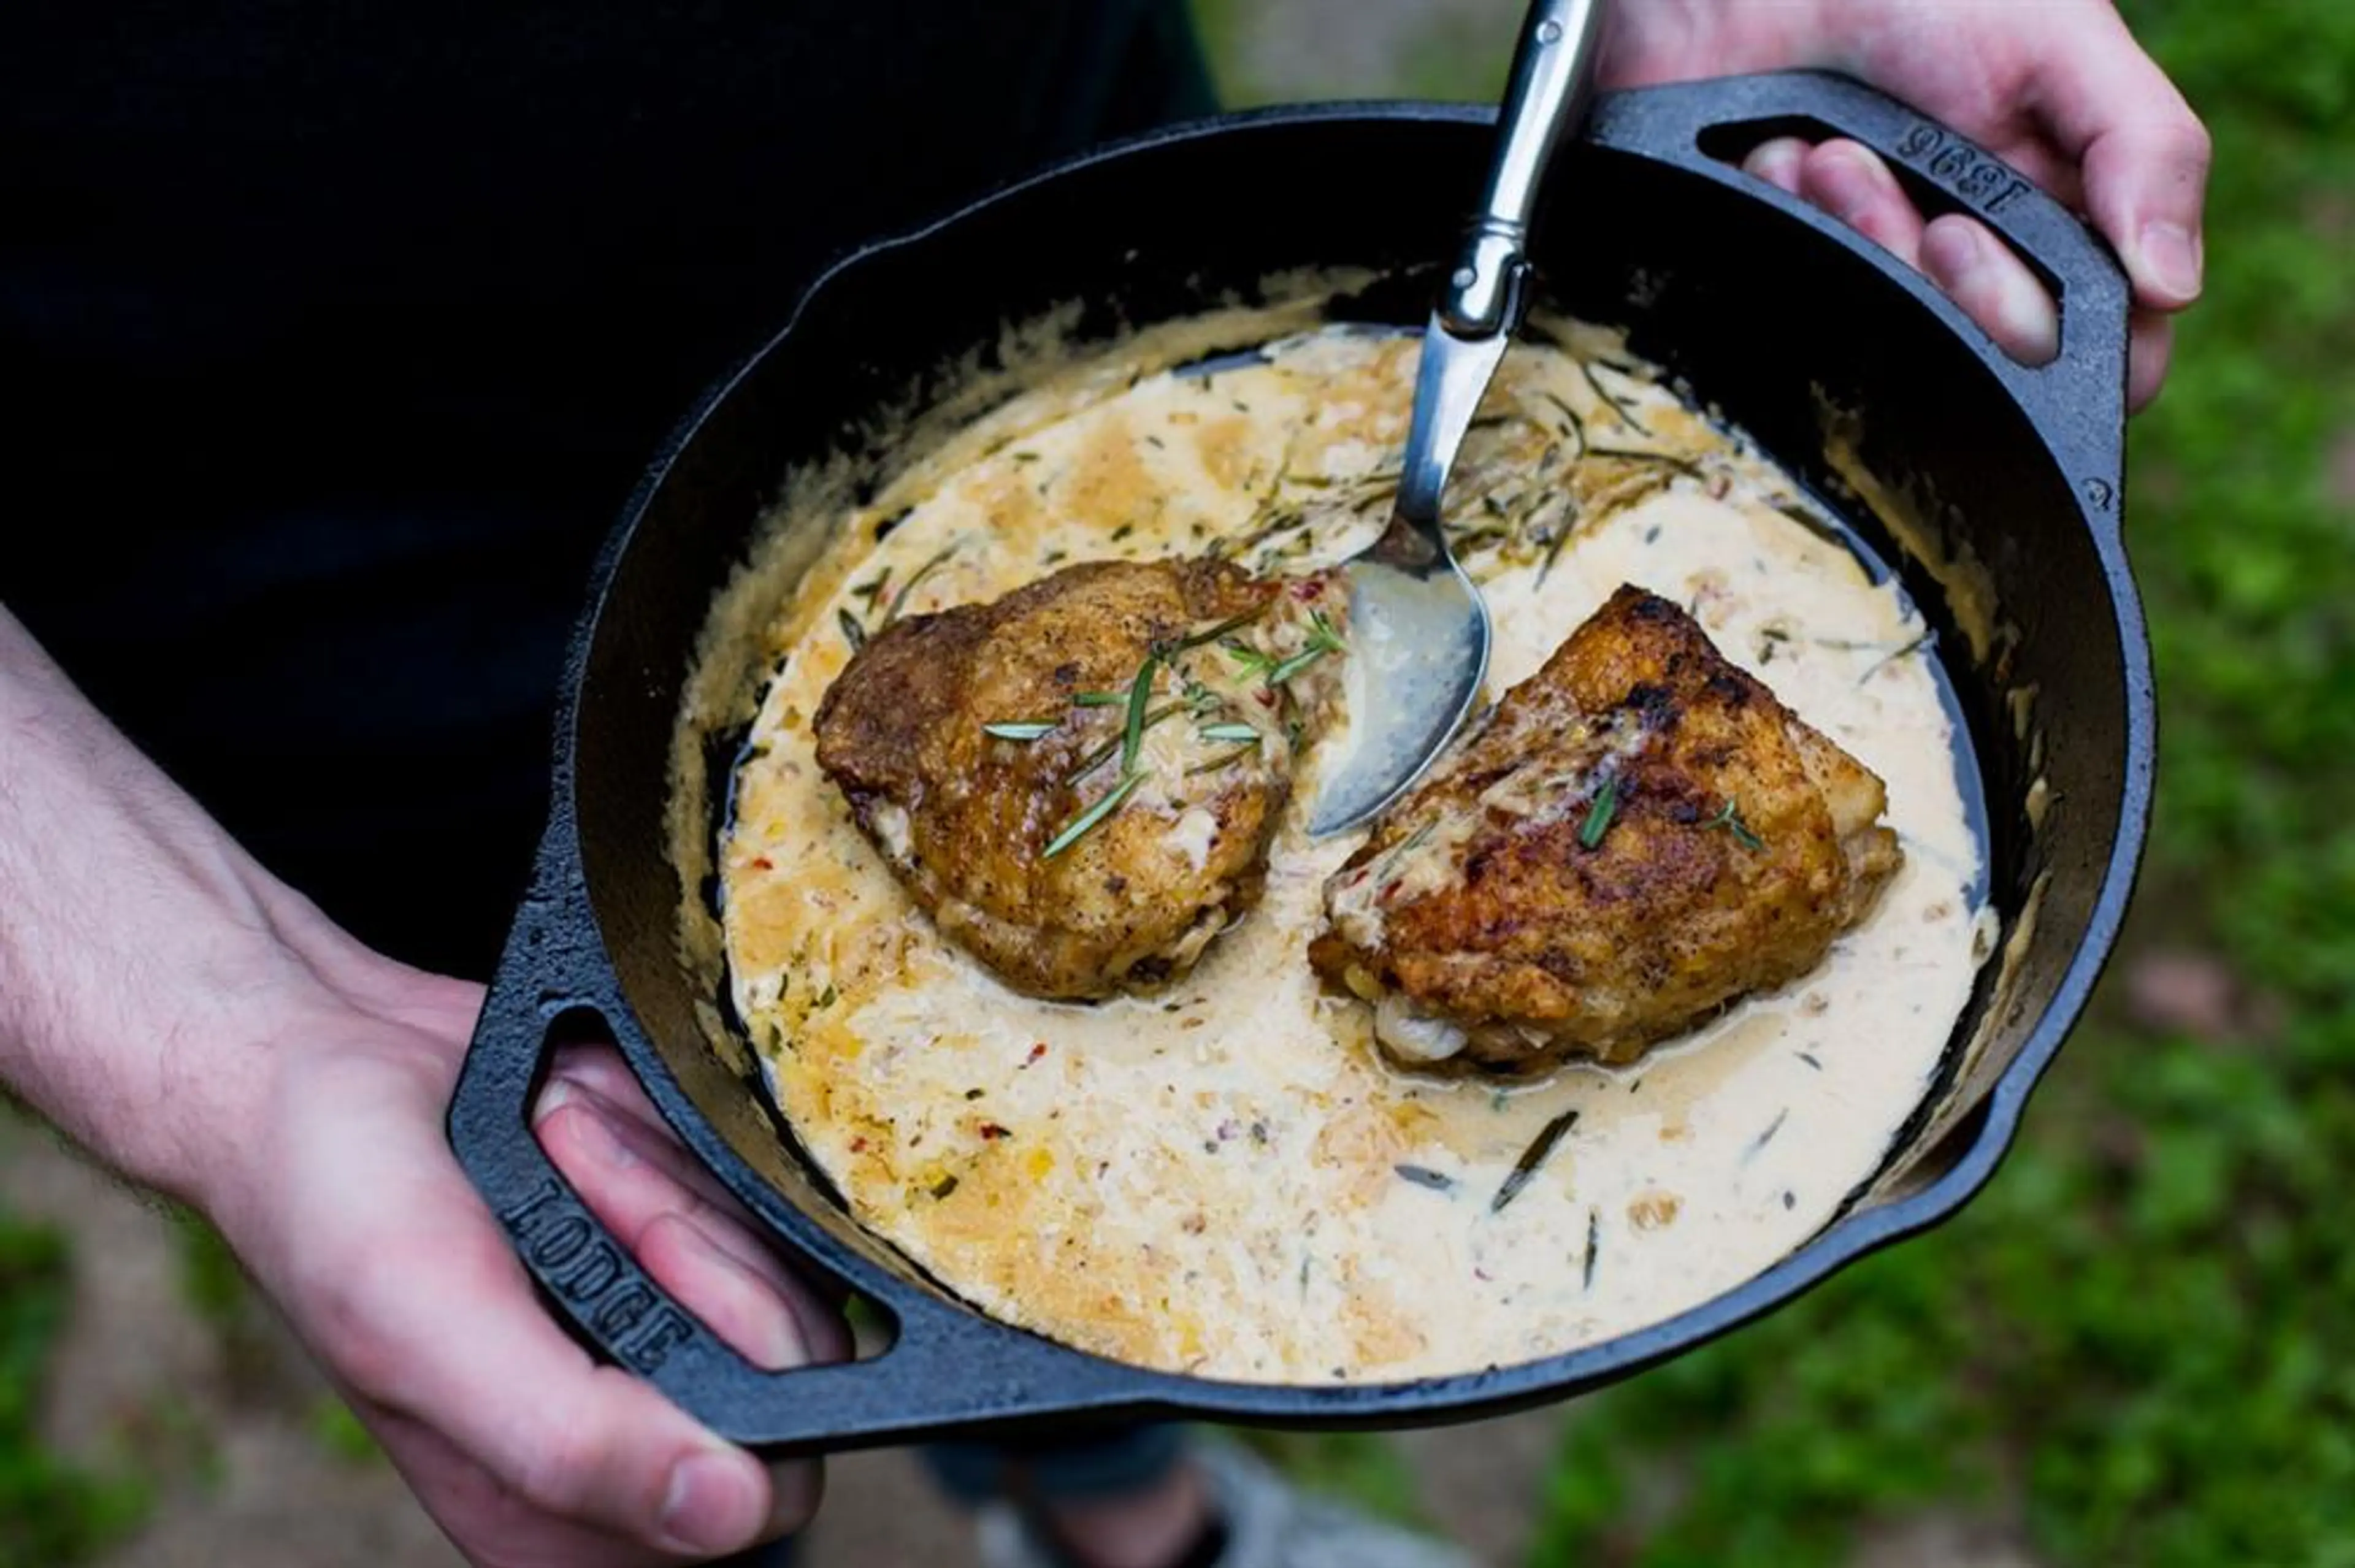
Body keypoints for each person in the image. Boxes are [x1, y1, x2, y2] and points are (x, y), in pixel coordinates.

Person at [0, 1, 2206, 1564]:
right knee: (660, 1300)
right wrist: (215, 1012)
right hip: (254, 572)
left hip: (1011, 129)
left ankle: (1123, 1515)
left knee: (973, 1331)